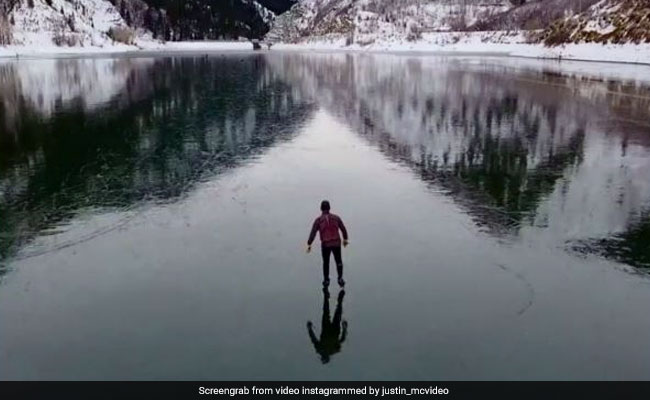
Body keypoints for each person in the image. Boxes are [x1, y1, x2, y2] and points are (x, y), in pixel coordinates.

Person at [307, 200, 349, 287]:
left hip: (326, 244)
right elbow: (343, 229)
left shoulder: (318, 220)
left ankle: (326, 280)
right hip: (336, 242)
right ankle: (340, 278)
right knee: (339, 261)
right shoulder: (336, 218)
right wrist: (345, 239)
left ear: (321, 209)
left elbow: (313, 232)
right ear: (329, 208)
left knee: (326, 262)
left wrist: (309, 243)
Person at [307, 288, 348, 364]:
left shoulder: (323, 349)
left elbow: (313, 338)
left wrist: (309, 328)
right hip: (332, 331)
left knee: (332, 312)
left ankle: (329, 297)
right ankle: (329, 297)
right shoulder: (328, 350)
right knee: (330, 312)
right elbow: (342, 339)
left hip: (328, 330)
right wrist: (344, 327)